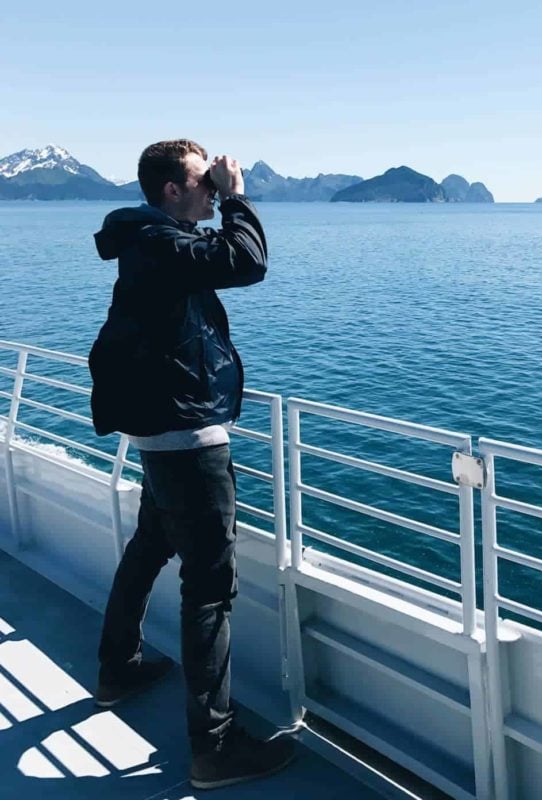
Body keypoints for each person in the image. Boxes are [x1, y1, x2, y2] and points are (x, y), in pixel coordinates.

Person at [88, 139, 294, 790]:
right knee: (209, 591)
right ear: (173, 190)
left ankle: (118, 669)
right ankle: (215, 747)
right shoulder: (159, 243)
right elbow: (246, 262)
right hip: (187, 441)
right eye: (203, 180)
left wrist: (223, 198)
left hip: (164, 433)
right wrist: (238, 198)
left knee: (150, 546)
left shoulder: (153, 240)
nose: (213, 187)